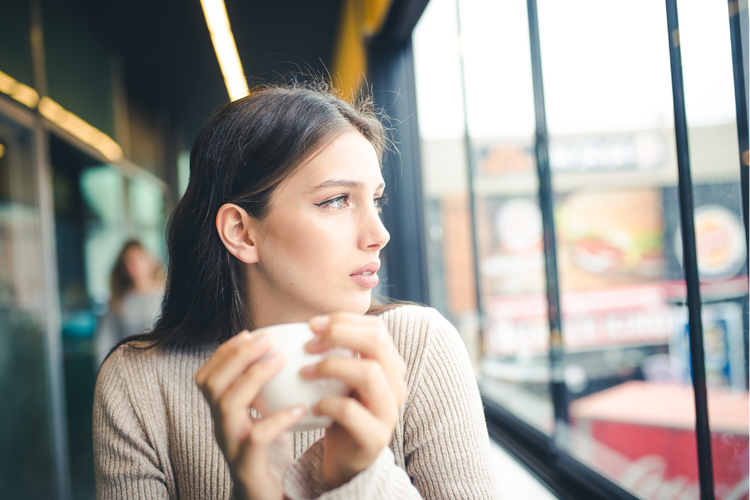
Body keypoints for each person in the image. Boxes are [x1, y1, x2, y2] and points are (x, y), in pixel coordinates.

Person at [93, 81, 500, 499]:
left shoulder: (419, 345)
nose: (380, 234)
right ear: (242, 233)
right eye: (337, 200)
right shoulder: (138, 383)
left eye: (375, 201)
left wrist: (358, 478)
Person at [94, 239, 163, 368]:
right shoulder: (118, 302)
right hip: (129, 370)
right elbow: (105, 342)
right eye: (130, 262)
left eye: (140, 259)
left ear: (150, 261)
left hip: (163, 368)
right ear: (124, 269)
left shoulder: (167, 294)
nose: (136, 266)